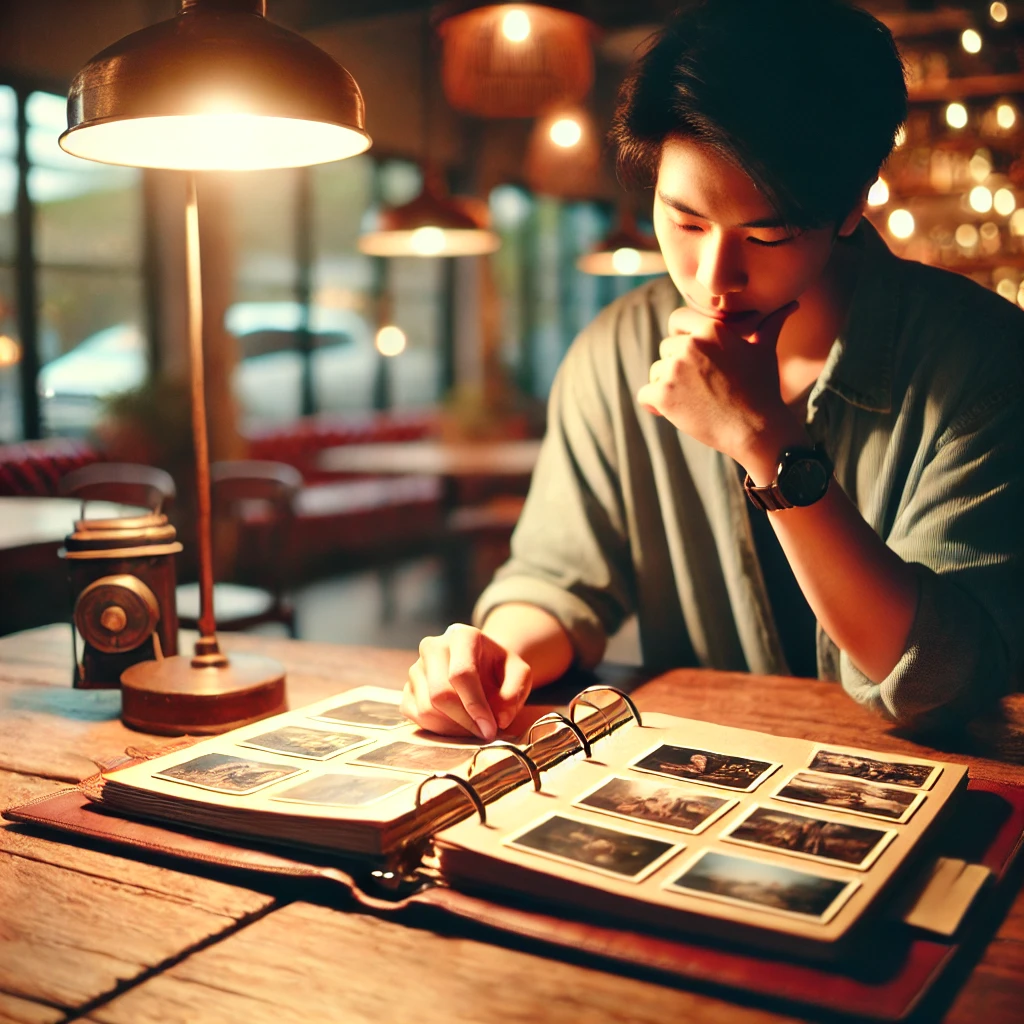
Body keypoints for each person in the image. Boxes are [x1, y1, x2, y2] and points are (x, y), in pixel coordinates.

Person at [402, 0, 1023, 740]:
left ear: (852, 204)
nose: (713, 275)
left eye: (767, 234)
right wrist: (494, 655)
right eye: (686, 221)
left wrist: (766, 443)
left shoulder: (983, 361)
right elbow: (556, 581)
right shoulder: (616, 352)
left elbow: (943, 681)